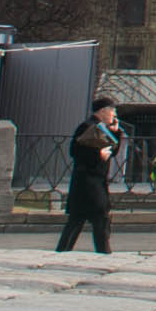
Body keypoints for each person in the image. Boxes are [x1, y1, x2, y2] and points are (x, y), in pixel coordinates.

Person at [57, 96, 120, 254]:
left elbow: (113, 151)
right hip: (87, 182)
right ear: (102, 111)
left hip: (96, 181)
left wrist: (116, 133)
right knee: (95, 216)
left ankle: (65, 251)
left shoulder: (102, 128)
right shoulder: (86, 126)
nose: (114, 116)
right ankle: (103, 252)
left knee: (83, 219)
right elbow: (75, 151)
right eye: (112, 111)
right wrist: (98, 154)